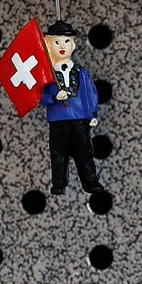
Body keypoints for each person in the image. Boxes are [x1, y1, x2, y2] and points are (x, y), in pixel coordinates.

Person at [40, 21, 105, 196]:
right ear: (48, 45)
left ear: (73, 45)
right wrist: (54, 98)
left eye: (66, 41)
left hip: (79, 119)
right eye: (57, 42)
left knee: (84, 152)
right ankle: (59, 183)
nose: (62, 46)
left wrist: (91, 114)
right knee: (58, 154)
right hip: (57, 120)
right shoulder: (47, 75)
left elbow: (89, 93)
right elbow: (41, 97)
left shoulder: (81, 72)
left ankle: (90, 181)